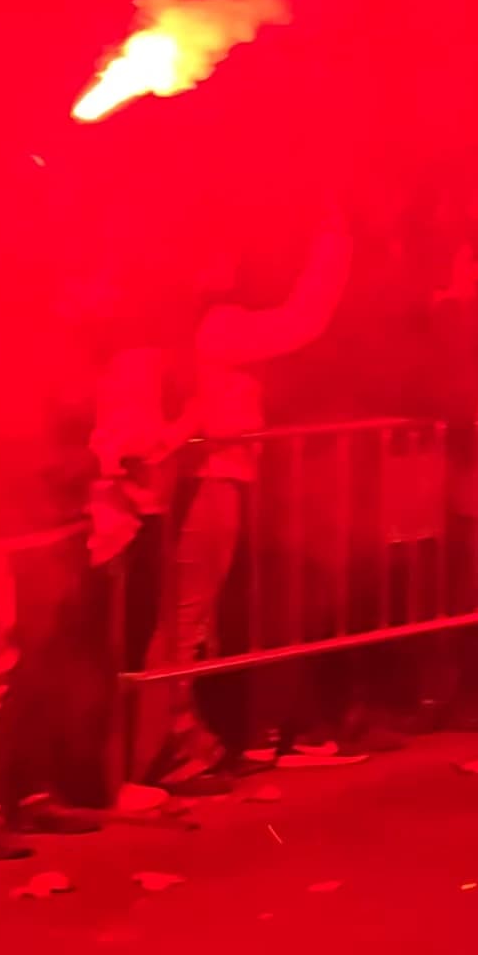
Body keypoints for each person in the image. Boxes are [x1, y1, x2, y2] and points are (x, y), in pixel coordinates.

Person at [138, 212, 351, 788]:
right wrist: (335, 242)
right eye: (215, 252)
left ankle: (177, 737)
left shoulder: (185, 327)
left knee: (187, 616)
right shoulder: (219, 326)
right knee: (187, 618)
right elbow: (300, 323)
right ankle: (167, 746)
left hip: (202, 478)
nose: (228, 261)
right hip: (209, 478)